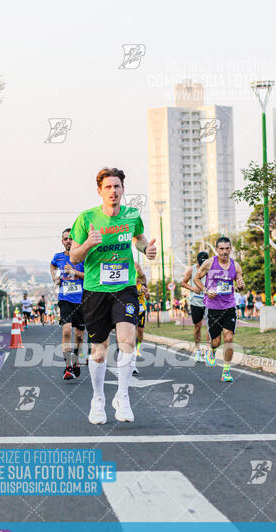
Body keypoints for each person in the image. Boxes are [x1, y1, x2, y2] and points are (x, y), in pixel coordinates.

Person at [70, 167, 156, 424]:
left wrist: (146, 250)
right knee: (99, 351)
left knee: (128, 340)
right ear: (100, 191)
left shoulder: (131, 216)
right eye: (108, 187)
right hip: (96, 290)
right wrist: (87, 244)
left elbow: (139, 239)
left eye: (117, 186)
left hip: (124, 287)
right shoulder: (86, 219)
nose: (113, 191)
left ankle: (123, 396)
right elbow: (74, 257)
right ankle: (98, 399)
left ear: (123, 190)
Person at [194, 236, 245, 382]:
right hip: (213, 307)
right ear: (216, 249)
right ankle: (212, 350)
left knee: (229, 337)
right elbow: (196, 278)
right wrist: (205, 290)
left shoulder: (236, 266)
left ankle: (226, 371)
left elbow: (240, 284)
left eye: (227, 248)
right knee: (216, 341)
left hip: (229, 306)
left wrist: (241, 284)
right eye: (221, 249)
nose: (224, 252)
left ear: (230, 249)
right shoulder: (209, 263)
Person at [50, 228, 85, 381]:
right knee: (66, 331)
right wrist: (55, 278)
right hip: (65, 299)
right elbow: (52, 266)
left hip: (82, 299)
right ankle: (68, 366)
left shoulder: (83, 257)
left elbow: (90, 276)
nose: (68, 241)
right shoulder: (58, 257)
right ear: (62, 241)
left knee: (79, 335)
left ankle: (76, 359)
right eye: (65, 239)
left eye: (71, 238)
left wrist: (74, 272)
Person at [181, 250, 209, 363]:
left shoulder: (210, 269)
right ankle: (197, 350)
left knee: (209, 327)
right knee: (197, 327)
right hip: (195, 302)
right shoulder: (191, 269)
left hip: (209, 302)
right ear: (197, 261)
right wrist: (193, 289)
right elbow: (183, 283)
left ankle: (208, 351)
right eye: (201, 263)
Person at [132, 261, 149, 375]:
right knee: (132, 332)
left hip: (141, 310)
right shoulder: (130, 282)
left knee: (140, 332)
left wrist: (146, 294)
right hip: (132, 309)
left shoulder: (143, 284)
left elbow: (147, 296)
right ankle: (133, 352)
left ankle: (138, 347)